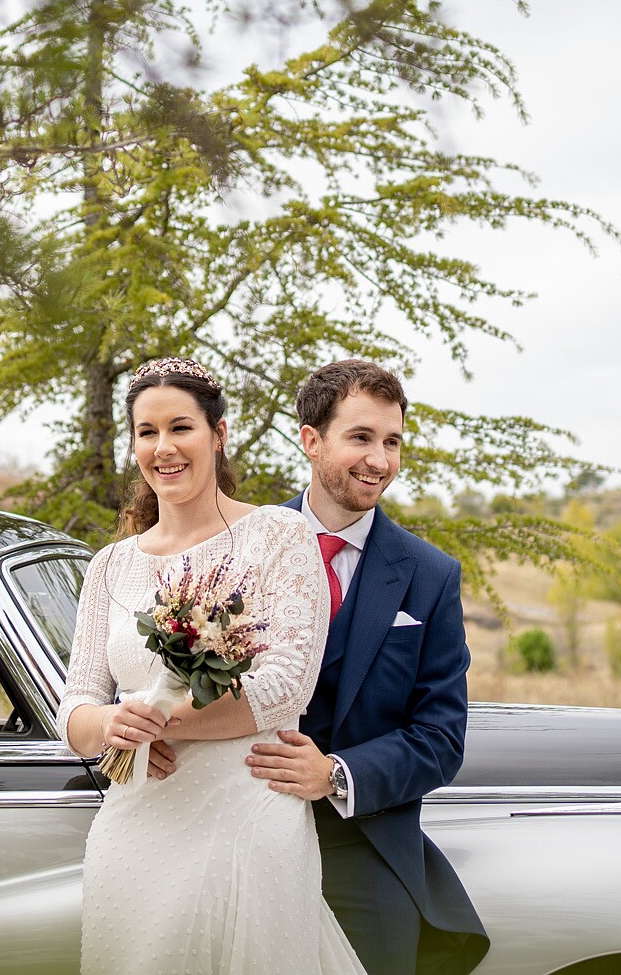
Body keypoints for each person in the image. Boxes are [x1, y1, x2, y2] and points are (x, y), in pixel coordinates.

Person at [57, 357, 368, 975]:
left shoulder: (279, 536)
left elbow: (286, 686)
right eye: (147, 432)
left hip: (247, 815)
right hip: (135, 828)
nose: (164, 448)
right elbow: (75, 705)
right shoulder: (109, 566)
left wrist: (154, 719)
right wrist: (111, 726)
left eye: (181, 428)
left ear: (218, 434)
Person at [244, 359, 489, 975]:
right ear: (311, 440)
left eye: (392, 442)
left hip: (362, 845)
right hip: (239, 831)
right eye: (361, 437)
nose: (380, 460)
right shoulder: (242, 545)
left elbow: (440, 738)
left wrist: (333, 774)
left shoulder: (430, 575)